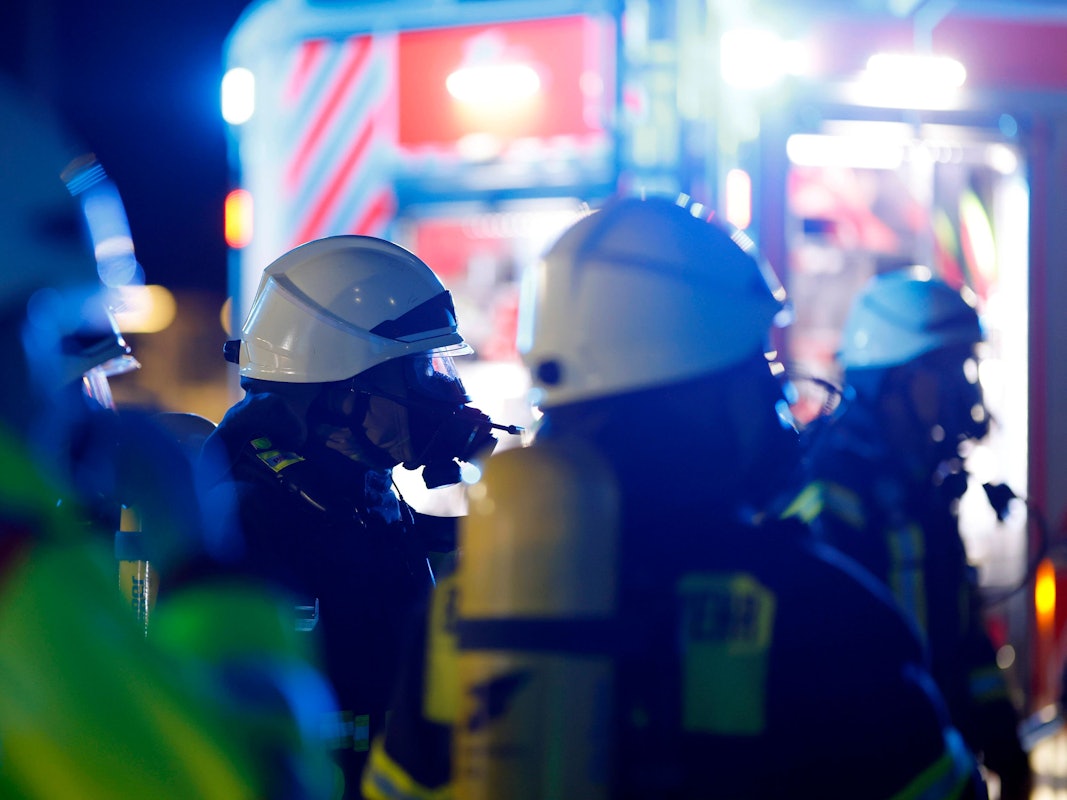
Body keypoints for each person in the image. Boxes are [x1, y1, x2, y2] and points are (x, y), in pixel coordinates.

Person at [362, 195, 984, 799]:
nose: (774, 399)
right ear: (703, 390)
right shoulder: (824, 613)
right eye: (758, 364)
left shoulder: (464, 612)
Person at [0, 74, 337, 799]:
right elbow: (241, 784)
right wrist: (200, 567)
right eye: (69, 340)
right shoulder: (19, 572)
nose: (82, 402)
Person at [199, 234, 514, 798]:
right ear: (343, 391)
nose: (446, 392)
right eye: (420, 372)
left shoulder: (356, 495)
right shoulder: (245, 523)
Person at [786, 267, 1032, 799]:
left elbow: (958, 629)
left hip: (932, 752)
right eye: (944, 370)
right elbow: (842, 667)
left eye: (964, 368)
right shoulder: (835, 488)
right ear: (892, 380)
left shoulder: (916, 485)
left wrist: (1003, 739)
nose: (961, 388)